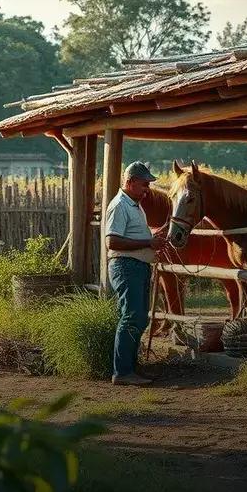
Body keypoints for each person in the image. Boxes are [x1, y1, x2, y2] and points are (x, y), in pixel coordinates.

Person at [105, 161, 168, 386]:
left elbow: (131, 236)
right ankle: (122, 372)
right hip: (126, 266)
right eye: (144, 184)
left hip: (137, 266)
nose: (147, 189)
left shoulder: (133, 204)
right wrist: (148, 242)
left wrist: (152, 240)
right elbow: (112, 241)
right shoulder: (120, 205)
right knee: (132, 317)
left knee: (139, 318)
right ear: (130, 182)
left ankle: (129, 369)